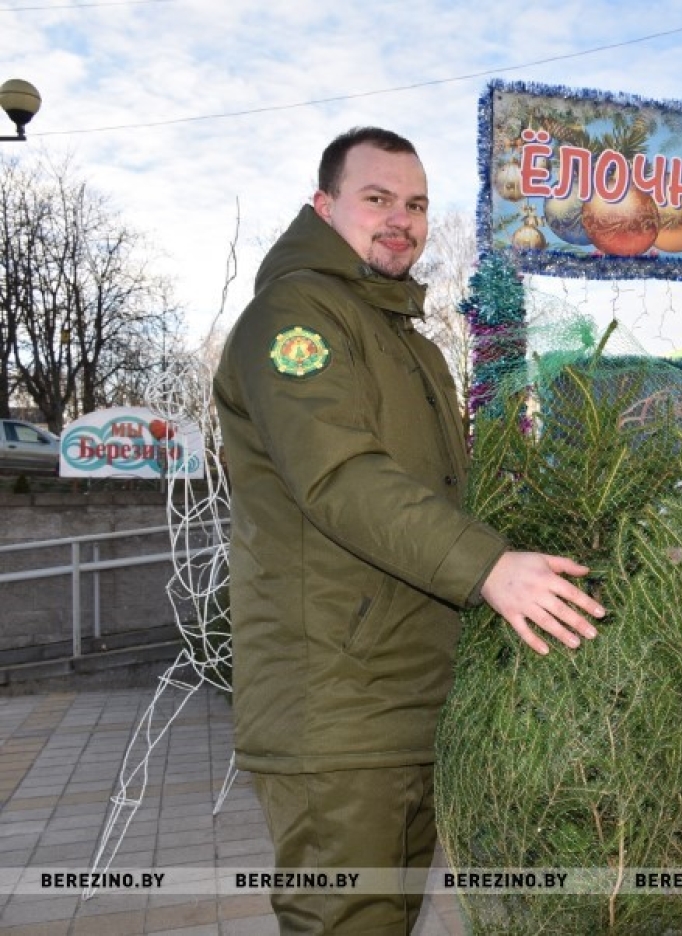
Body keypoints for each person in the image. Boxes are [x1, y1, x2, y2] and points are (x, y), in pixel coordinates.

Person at [213, 127, 606, 933]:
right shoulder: (296, 319)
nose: (401, 220)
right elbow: (340, 476)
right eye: (377, 199)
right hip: (336, 707)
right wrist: (490, 567)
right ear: (324, 206)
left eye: (417, 205)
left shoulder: (409, 344)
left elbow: (443, 496)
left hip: (407, 699)